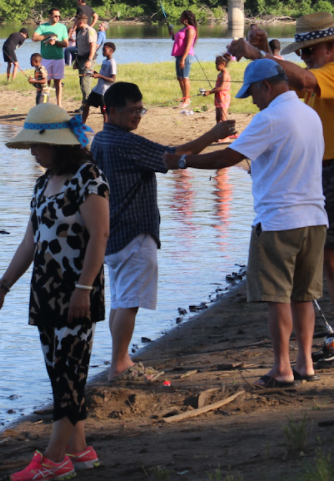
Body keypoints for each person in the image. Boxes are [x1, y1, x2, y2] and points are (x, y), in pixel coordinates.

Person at [228, 12, 334, 369]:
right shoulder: (316, 77)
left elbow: (301, 78)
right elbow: (287, 83)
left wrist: (255, 52)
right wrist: (267, 49)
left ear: (332, 46)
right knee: (329, 259)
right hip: (330, 170)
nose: (306, 56)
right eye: (303, 51)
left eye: (311, 50)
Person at [160, 59, 328, 388]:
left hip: (280, 219)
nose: (252, 100)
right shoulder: (310, 114)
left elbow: (227, 158)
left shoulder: (270, 117)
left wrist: (181, 160)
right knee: (304, 295)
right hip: (315, 218)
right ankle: (305, 363)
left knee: (277, 297)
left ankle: (282, 368)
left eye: (252, 92)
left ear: (266, 86)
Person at [0, 103, 109, 481]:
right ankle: (80, 449)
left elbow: (99, 236)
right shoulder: (42, 183)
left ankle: (54, 460)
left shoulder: (88, 177)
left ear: (56, 143)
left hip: (78, 291)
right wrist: (2, 286)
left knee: (71, 372)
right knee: (58, 373)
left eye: (37, 145)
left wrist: (84, 288)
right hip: (45, 291)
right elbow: (30, 242)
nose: (33, 153)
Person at [91, 82, 235, 382]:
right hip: (133, 232)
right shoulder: (124, 142)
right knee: (128, 302)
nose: (137, 116)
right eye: (132, 111)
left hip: (115, 232)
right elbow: (174, 156)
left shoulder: (101, 140)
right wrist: (214, 135)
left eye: (140, 110)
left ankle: (121, 359)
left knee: (121, 300)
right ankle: (120, 364)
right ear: (112, 111)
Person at [33, 9, 69, 106]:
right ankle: (45, 104)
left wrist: (56, 42)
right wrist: (48, 35)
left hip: (59, 58)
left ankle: (59, 105)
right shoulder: (42, 27)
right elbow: (34, 38)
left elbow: (66, 44)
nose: (57, 18)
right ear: (49, 16)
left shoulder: (62, 27)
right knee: (46, 83)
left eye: (59, 16)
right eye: (55, 16)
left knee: (58, 83)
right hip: (45, 58)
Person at [202, 54, 235, 142]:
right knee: (218, 117)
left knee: (223, 118)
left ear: (223, 64)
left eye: (217, 64)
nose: (216, 66)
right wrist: (212, 91)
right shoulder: (220, 74)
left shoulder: (225, 74)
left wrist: (210, 92)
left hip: (223, 97)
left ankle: (225, 137)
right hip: (218, 96)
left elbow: (222, 87)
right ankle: (218, 134)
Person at [171, 10, 198, 109]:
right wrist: (173, 35)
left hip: (186, 56)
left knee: (185, 77)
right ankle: (184, 98)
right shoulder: (183, 29)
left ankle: (187, 100)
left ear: (186, 19)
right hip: (178, 54)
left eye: (181, 16)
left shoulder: (190, 29)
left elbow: (188, 45)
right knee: (179, 78)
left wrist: (183, 59)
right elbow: (178, 40)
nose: (180, 18)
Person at [82, 42, 116, 123]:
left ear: (111, 51)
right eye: (102, 50)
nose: (102, 52)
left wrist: (100, 76)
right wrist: (95, 73)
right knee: (86, 105)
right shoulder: (105, 61)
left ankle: (106, 131)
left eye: (104, 50)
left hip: (104, 92)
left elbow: (113, 79)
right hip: (97, 89)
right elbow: (103, 74)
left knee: (104, 112)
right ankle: (81, 125)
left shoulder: (112, 63)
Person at [74, 14, 98, 107]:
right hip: (81, 60)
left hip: (87, 60)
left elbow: (92, 47)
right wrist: (76, 61)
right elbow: (80, 48)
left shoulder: (90, 31)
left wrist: (89, 60)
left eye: (75, 21)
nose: (75, 23)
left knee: (85, 83)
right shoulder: (80, 32)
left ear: (80, 22)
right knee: (82, 83)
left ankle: (87, 105)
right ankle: (85, 103)